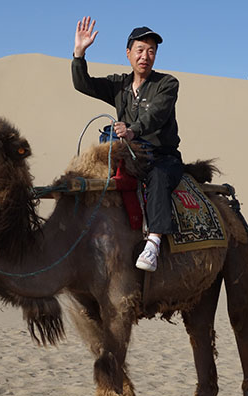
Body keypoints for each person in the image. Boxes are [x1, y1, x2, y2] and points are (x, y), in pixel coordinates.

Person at [71, 16, 184, 272]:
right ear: (128, 53)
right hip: (131, 155)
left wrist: (132, 130)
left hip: (161, 157)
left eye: (151, 50)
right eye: (140, 49)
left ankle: (154, 242)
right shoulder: (118, 85)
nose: (146, 55)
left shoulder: (167, 84)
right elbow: (83, 84)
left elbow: (156, 114)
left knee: (157, 177)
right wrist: (79, 54)